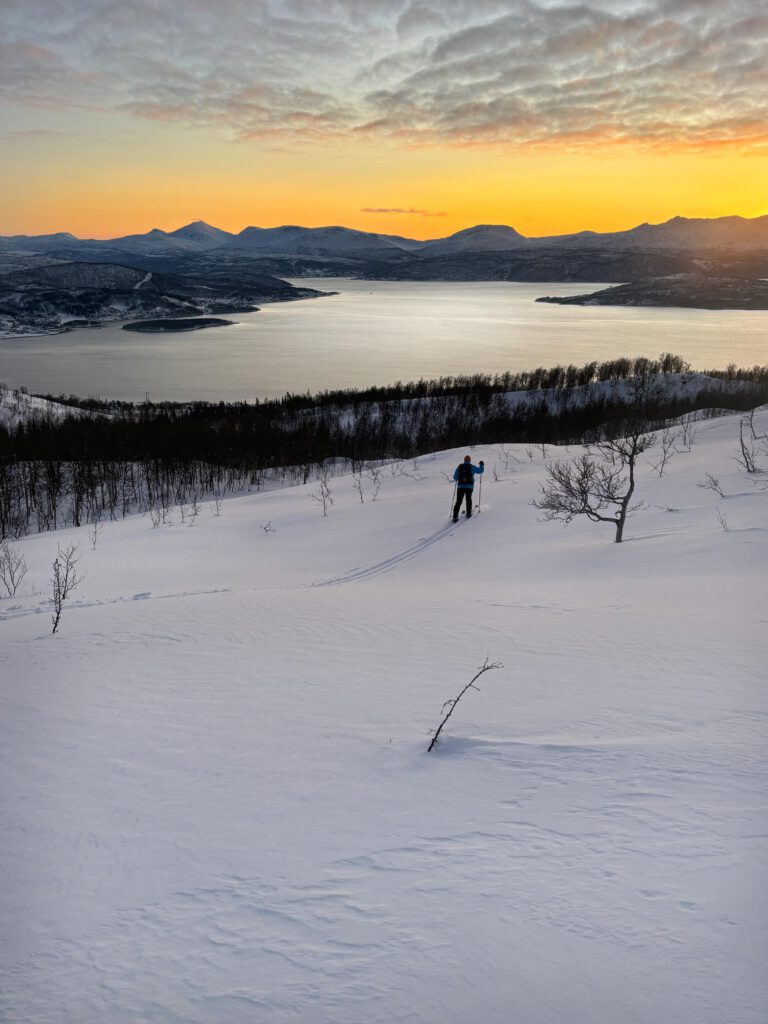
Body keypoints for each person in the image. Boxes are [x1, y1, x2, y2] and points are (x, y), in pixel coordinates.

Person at [452, 455, 484, 521]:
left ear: (464, 460)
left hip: (460, 487)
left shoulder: (459, 466)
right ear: (470, 460)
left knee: (458, 501)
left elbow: (455, 477)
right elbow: (480, 471)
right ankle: (468, 514)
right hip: (469, 487)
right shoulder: (472, 467)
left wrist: (461, 479)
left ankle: (455, 516)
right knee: (468, 499)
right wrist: (481, 464)